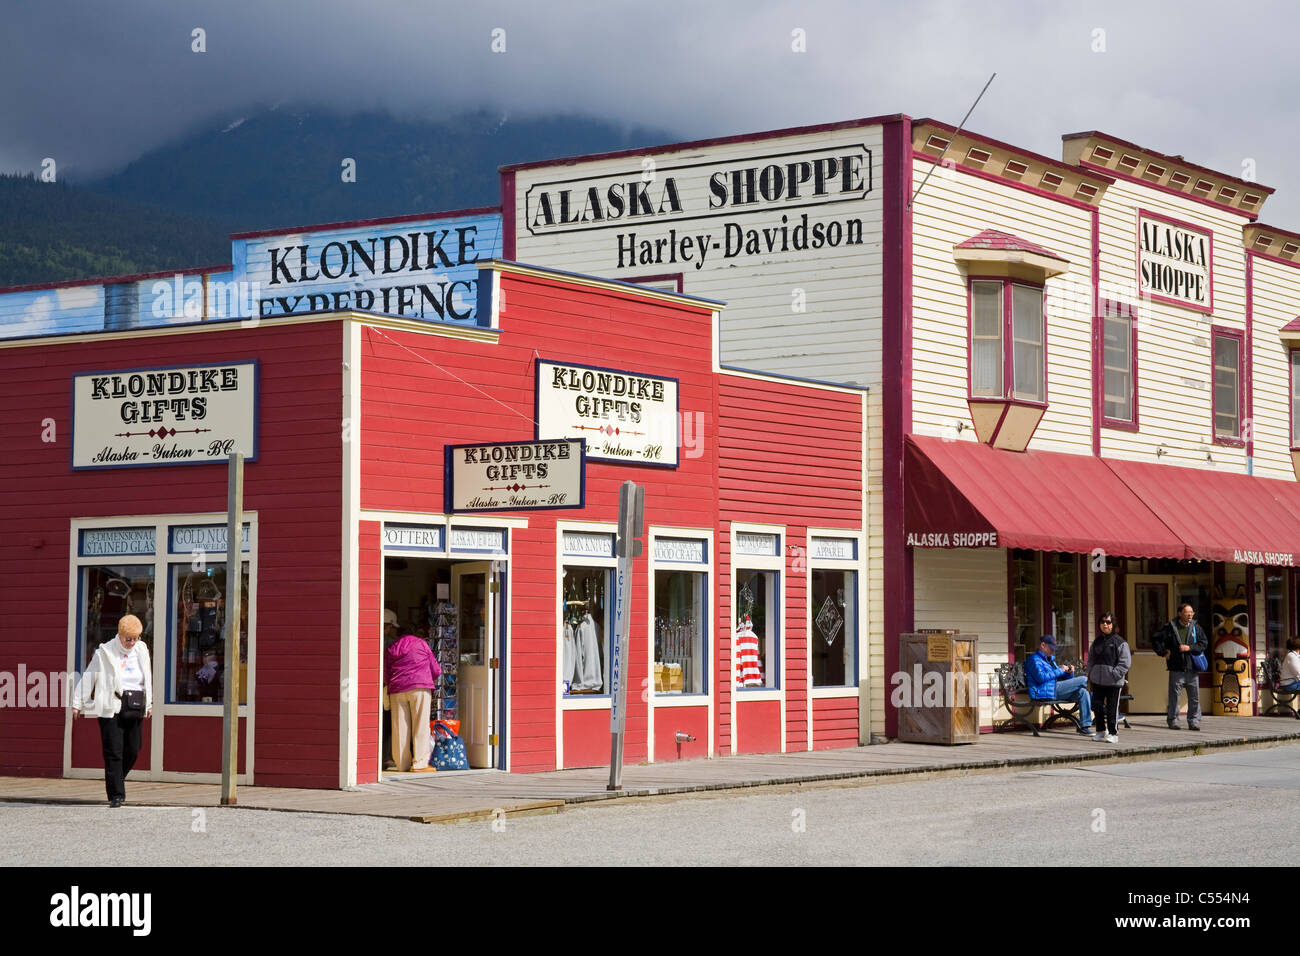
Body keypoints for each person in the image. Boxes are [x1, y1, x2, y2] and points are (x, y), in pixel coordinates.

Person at [71, 614, 153, 808]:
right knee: (113, 753)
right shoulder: (105, 652)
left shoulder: (141, 649)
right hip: (110, 707)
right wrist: (77, 703)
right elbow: (89, 676)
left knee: (133, 750)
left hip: (134, 705)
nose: (132, 642)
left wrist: (149, 703)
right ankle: (116, 794)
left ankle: (116, 779)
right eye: (128, 639)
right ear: (120, 634)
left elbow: (147, 678)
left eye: (135, 638)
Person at [384, 630, 441, 772]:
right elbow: (436, 670)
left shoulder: (392, 648)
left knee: (399, 727)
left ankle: (402, 764)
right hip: (419, 687)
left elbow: (385, 672)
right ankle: (419, 763)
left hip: (397, 688)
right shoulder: (421, 644)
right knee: (420, 725)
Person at [1025, 634, 1093, 735]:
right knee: (1084, 679)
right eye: (1051, 648)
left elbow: (1058, 677)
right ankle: (1102, 705)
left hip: (1053, 690)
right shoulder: (1033, 659)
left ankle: (1084, 726)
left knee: (1083, 692)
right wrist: (1060, 670)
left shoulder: (1050, 660)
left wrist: (1069, 673)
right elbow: (1040, 678)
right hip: (1042, 692)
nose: (1053, 651)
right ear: (1043, 645)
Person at [1155, 603, 1207, 730]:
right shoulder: (1170, 627)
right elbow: (1156, 640)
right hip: (1176, 668)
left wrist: (1190, 648)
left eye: (1191, 612)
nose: (1190, 615)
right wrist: (1163, 652)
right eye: (1186, 612)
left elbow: (1203, 643)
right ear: (1179, 613)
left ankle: (1194, 721)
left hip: (1192, 668)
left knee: (1194, 698)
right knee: (1174, 697)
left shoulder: (1196, 627)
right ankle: (1173, 720)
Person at [1088, 613, 1131, 743]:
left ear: (1113, 624)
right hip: (1097, 681)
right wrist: (1091, 674)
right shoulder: (1097, 642)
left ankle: (1113, 733)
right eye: (1102, 622)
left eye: (1108, 622)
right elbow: (1090, 660)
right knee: (1097, 705)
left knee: (1112, 708)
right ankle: (1101, 731)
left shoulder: (1120, 642)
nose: (1105, 624)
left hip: (1113, 682)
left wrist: (1114, 675)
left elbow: (1125, 663)